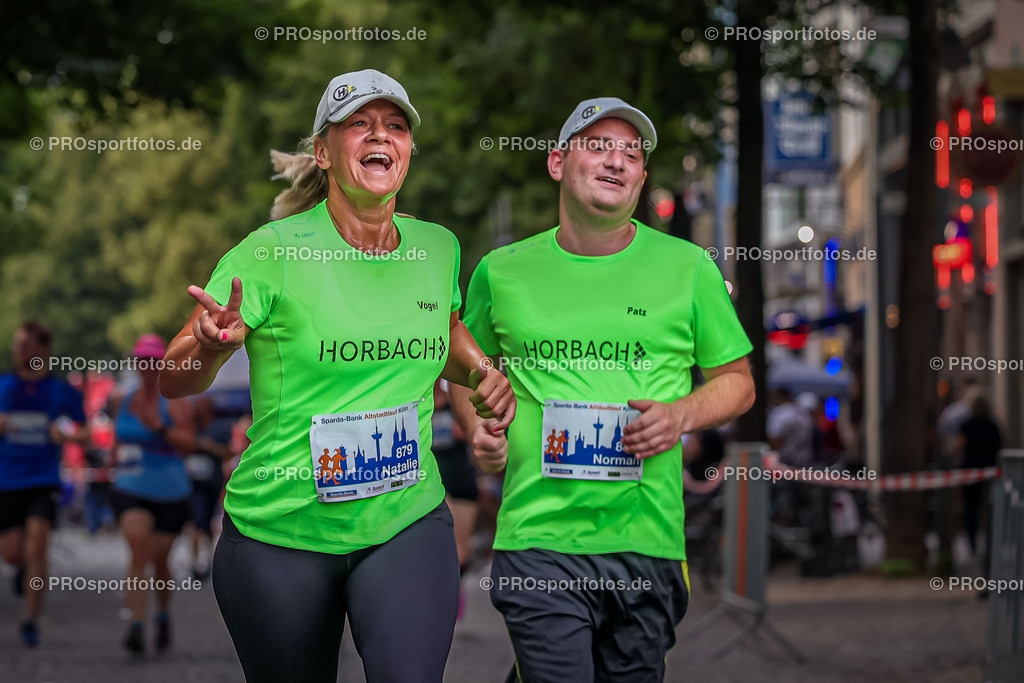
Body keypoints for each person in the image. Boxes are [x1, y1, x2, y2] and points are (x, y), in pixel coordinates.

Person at [159, 69, 515, 683]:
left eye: (395, 125)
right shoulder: (272, 252)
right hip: (280, 533)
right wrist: (210, 348)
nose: (380, 135)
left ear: (408, 150)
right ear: (323, 152)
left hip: (404, 519)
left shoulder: (437, 248)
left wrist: (483, 372)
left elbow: (445, 328)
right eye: (360, 124)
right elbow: (173, 378)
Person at [451, 97, 755, 682]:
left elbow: (737, 383)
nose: (617, 160)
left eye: (632, 154)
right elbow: (463, 369)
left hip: (647, 543)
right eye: (598, 146)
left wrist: (680, 415)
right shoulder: (501, 271)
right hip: (538, 538)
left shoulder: (690, 267)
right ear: (557, 163)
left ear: (641, 177)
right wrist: (477, 426)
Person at [0, 321, 91, 647]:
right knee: (12, 554)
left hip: (44, 478)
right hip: (7, 479)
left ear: (43, 349)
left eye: (25, 345)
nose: (18, 350)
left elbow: (87, 432)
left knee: (38, 544)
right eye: (17, 344)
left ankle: (30, 619)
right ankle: (22, 569)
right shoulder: (4, 384)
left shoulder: (60, 389)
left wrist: (66, 435)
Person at [109, 334, 195, 655]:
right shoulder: (123, 400)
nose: (146, 367)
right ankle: (136, 624)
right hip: (130, 487)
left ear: (162, 364)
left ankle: (162, 615)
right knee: (138, 552)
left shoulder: (175, 400)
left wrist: (159, 427)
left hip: (170, 492)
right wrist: (113, 457)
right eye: (141, 361)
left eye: (152, 361)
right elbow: (118, 437)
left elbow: (188, 444)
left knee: (159, 563)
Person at [433, 378, 480, 617]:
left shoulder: (458, 401)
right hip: (434, 482)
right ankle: (437, 597)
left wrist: (468, 426)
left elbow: (478, 433)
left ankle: (454, 589)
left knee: (462, 553)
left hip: (462, 479)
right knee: (440, 546)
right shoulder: (416, 401)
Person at [184, 394, 234, 580]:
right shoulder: (189, 426)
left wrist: (209, 447)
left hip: (212, 481)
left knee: (208, 522)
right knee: (195, 522)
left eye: (202, 405)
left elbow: (229, 453)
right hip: (192, 482)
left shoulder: (222, 427)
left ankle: (208, 559)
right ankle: (196, 561)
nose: (198, 408)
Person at [958, 392, 1002, 565]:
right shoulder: (992, 426)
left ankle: (973, 544)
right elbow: (1000, 445)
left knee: (971, 509)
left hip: (970, 473)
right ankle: (990, 546)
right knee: (989, 509)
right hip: (990, 472)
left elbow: (960, 446)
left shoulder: (967, 425)